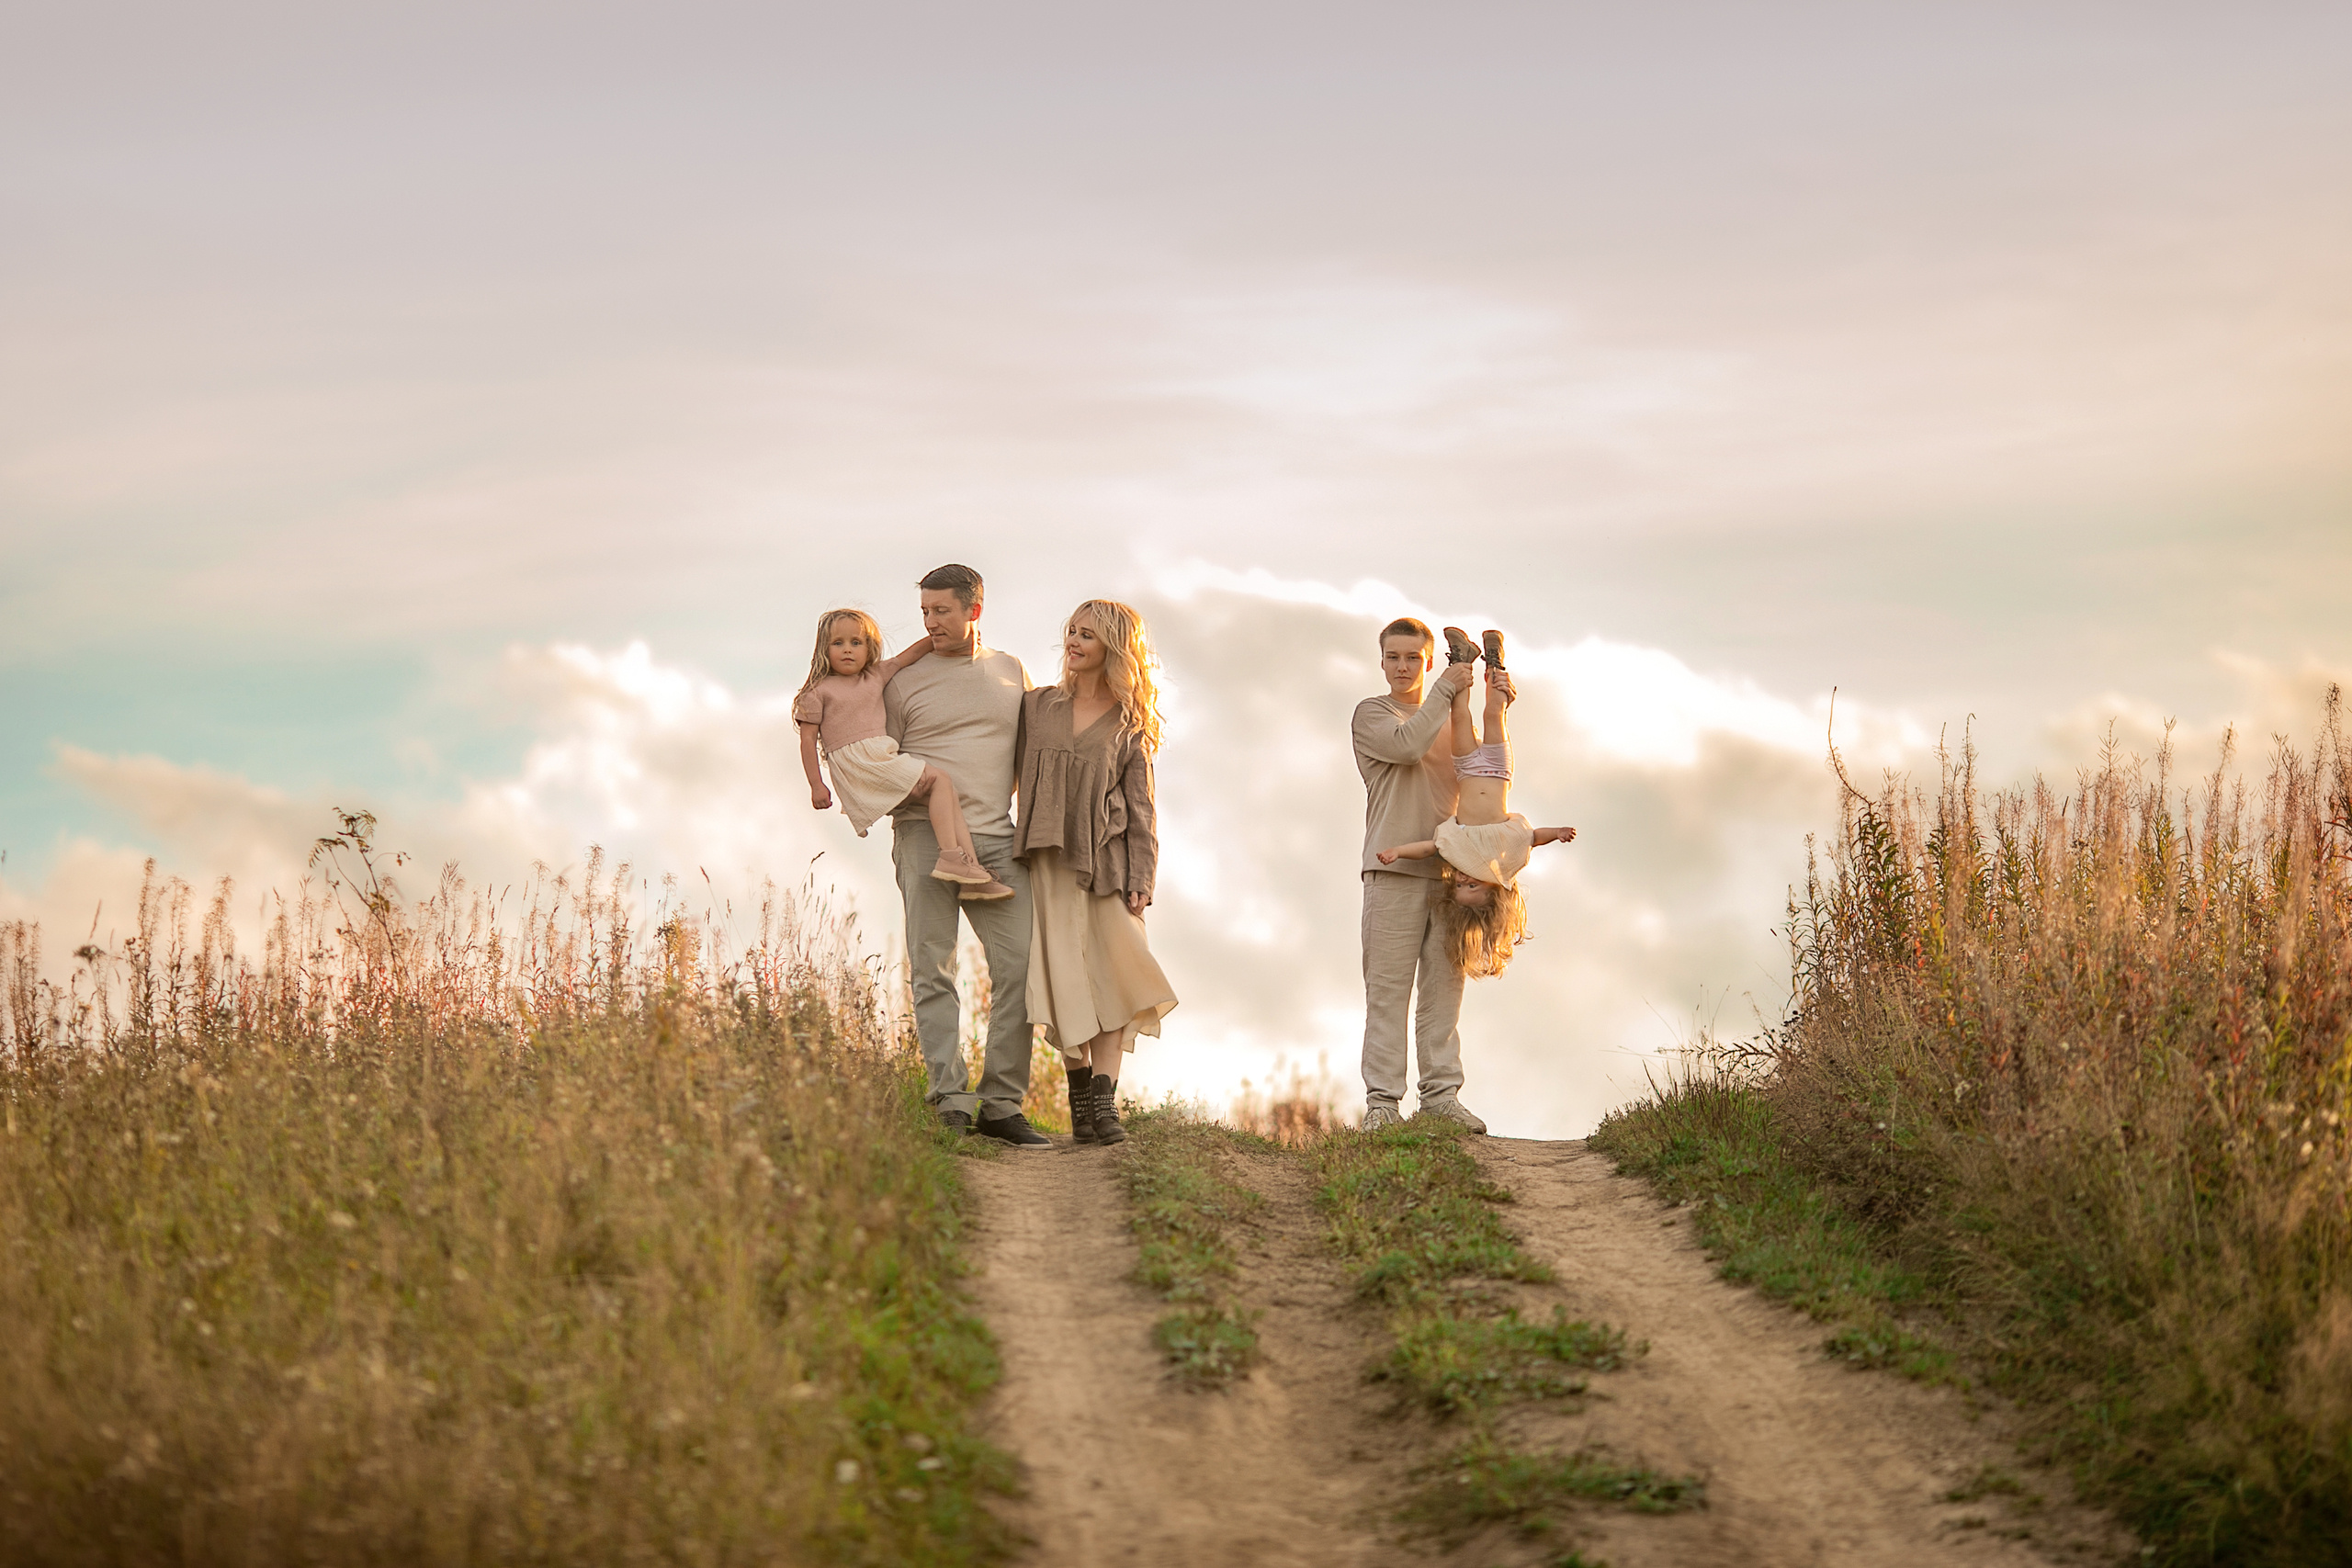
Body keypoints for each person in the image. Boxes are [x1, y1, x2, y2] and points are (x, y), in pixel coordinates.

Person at [885, 565, 1050, 1147]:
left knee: (1022, 967)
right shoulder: (903, 683)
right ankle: (949, 1097)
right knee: (933, 966)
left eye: (942, 611)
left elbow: (1030, 757)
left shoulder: (1011, 672)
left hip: (998, 839)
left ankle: (1001, 1103)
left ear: (974, 610)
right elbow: (881, 759)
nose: (931, 622)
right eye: (925, 612)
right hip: (922, 834)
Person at [1013, 599, 1177, 1147]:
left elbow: (1142, 809)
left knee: (1113, 973)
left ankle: (1104, 1105)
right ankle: (1079, 1096)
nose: (1074, 642)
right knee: (1064, 978)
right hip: (1047, 863)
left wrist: (1143, 875)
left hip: (1108, 866)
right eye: (1071, 632)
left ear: (1113, 647)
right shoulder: (1036, 707)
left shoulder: (1130, 725)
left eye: (1088, 635)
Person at [1378, 626, 1577, 976]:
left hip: (1467, 768)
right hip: (1498, 770)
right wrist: (1558, 832)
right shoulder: (1506, 855)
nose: (1464, 880)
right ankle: (1496, 662)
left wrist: (1396, 852)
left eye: (1460, 887)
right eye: (1473, 886)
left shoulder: (1456, 849)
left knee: (1461, 715)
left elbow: (1426, 848)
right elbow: (1534, 837)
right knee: (1494, 712)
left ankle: (1462, 659)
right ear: (1494, 889)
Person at [1352, 616, 1487, 1132]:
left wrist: (1487, 703)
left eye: (1413, 657)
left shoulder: (1446, 716)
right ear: (1382, 661)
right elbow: (1408, 744)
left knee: (1444, 993)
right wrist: (1448, 687)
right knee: (1387, 993)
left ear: (1428, 659)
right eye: (1394, 657)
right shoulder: (1373, 714)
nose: (1403, 666)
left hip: (1454, 876)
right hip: (1391, 872)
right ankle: (1383, 1105)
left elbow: (1482, 777)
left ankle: (1441, 1099)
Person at [793, 607, 1013, 900]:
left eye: (856, 643)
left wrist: (946, 635)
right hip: (863, 764)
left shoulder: (874, 675)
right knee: (941, 781)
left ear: (869, 647)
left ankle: (970, 873)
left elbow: (907, 656)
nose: (848, 651)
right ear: (824, 649)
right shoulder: (818, 691)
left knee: (945, 793)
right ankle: (953, 858)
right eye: (838, 643)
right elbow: (808, 741)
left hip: (880, 757)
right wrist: (816, 785)